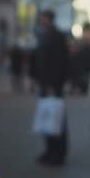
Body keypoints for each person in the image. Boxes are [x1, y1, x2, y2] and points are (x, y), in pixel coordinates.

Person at [33, 10, 69, 166]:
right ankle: (49, 151)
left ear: (49, 19)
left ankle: (58, 153)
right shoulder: (45, 35)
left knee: (56, 118)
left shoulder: (57, 36)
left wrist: (54, 85)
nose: (41, 20)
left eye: (43, 18)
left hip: (53, 86)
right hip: (46, 84)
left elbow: (59, 63)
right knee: (48, 116)